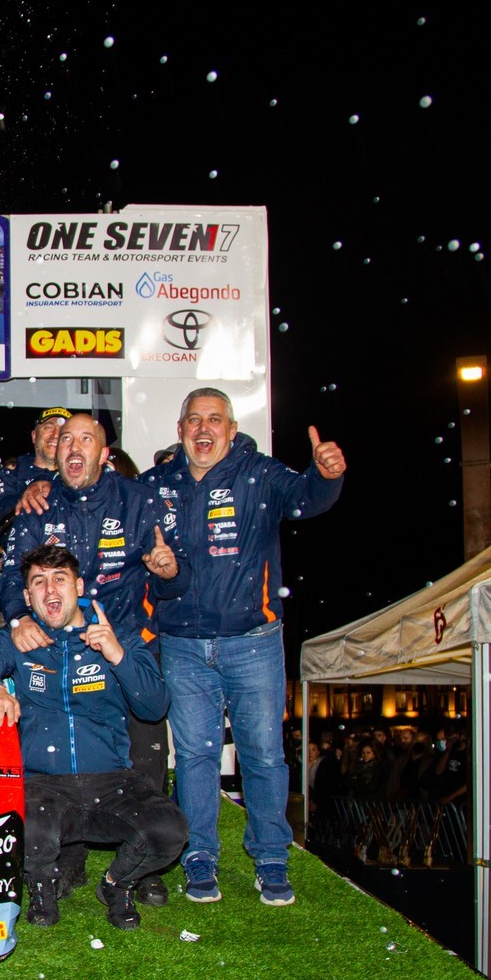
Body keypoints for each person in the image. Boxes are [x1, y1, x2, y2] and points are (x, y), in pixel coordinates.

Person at [141, 387, 346, 906]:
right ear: (180, 429)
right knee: (195, 757)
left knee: (263, 755)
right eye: (194, 419)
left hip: (254, 643)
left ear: (231, 431)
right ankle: (199, 855)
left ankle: (272, 857)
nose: (203, 428)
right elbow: (112, 514)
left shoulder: (260, 473)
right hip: (182, 645)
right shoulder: (155, 485)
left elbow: (306, 498)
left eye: (215, 420)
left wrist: (326, 475)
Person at [0, 412, 188, 905]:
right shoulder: (36, 505)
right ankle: (69, 859)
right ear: (56, 452)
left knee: (146, 754)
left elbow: (176, 577)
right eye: (66, 439)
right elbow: (12, 578)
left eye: (86, 439)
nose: (74, 447)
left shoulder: (140, 501)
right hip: (61, 649)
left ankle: (142, 867)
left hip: (125, 646)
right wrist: (18, 619)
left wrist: (170, 573)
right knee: (65, 753)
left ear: (105, 454)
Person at [0, 545, 187, 930]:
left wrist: (117, 655)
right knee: (22, 828)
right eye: (39, 582)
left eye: (59, 579)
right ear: (28, 596)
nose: (50, 589)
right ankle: (43, 884)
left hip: (112, 780)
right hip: (45, 784)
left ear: (79, 587)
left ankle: (116, 883)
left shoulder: (114, 634)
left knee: (169, 832)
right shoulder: (21, 638)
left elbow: (154, 706)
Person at [0, 407, 70, 525]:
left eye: (63, 431)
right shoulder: (11, 474)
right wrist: (25, 496)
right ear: (34, 436)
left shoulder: (79, 476)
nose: (55, 435)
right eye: (48, 427)